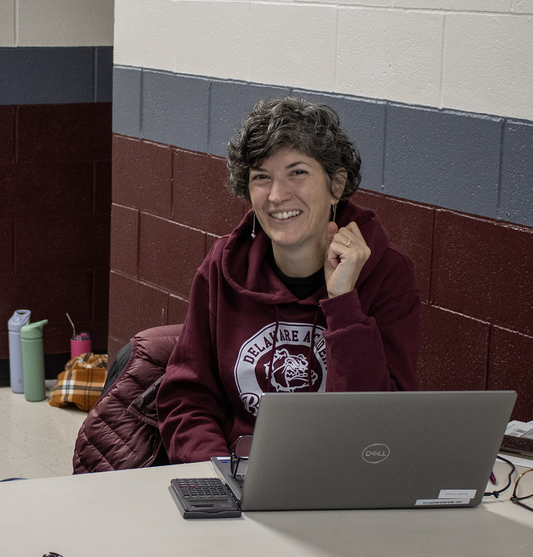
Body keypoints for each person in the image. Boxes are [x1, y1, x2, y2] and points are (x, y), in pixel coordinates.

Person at [157, 98, 421, 464]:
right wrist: (216, 477)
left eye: (297, 172)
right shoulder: (223, 265)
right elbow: (187, 399)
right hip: (235, 476)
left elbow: (380, 423)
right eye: (261, 177)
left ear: (336, 184)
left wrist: (343, 302)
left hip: (343, 477)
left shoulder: (387, 272)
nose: (277, 195)